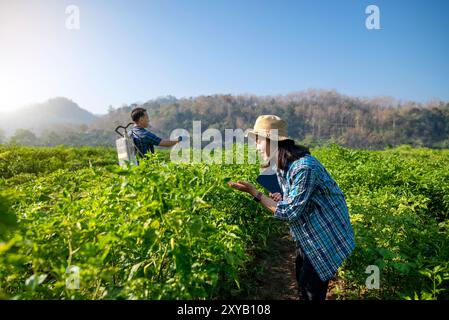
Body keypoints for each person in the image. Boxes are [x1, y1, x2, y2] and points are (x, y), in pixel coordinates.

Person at [228, 115, 355, 300]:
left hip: (325, 236)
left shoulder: (304, 167)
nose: (256, 147)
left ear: (272, 141)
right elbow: (294, 199)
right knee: (303, 283)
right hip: (308, 233)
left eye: (258, 141)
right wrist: (283, 196)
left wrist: (255, 193)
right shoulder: (281, 165)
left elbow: (288, 212)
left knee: (311, 291)